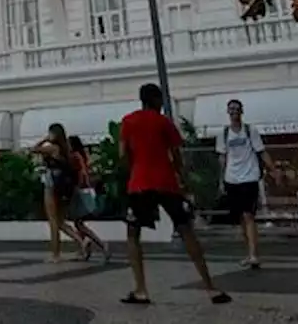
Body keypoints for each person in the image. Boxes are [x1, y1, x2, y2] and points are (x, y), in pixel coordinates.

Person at [120, 83, 231, 306]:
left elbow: (123, 154)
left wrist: (133, 172)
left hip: (139, 183)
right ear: (155, 99)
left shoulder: (128, 121)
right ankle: (210, 287)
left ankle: (141, 289)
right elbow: (176, 155)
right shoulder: (164, 122)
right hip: (166, 182)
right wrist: (183, 180)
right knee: (186, 231)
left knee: (133, 235)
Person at [216, 99, 273, 268]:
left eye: (236, 109)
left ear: (242, 111)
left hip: (249, 177)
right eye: (231, 109)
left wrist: (273, 169)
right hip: (231, 179)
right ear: (228, 112)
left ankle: (254, 254)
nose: (233, 112)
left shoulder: (250, 130)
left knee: (249, 215)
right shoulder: (224, 133)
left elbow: (261, 152)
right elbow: (222, 157)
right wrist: (221, 181)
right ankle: (249, 252)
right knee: (241, 217)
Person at [31, 123, 85, 262]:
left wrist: (45, 139)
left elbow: (34, 149)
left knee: (53, 222)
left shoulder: (52, 148)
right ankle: (81, 241)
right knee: (60, 221)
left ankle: (56, 254)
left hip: (51, 186)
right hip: (63, 187)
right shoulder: (66, 148)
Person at [68, 135, 110, 263]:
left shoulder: (75, 155)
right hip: (81, 189)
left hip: (79, 190)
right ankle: (85, 249)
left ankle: (98, 245)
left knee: (78, 223)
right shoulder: (81, 155)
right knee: (78, 223)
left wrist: (81, 184)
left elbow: (83, 171)